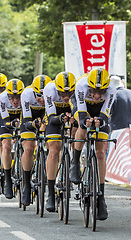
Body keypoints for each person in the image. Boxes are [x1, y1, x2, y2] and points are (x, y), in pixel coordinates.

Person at [73, 68, 116, 220]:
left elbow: (105, 114)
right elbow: (82, 113)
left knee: (100, 152)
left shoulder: (112, 90)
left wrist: (101, 121)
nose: (97, 95)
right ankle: (75, 163)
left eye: (101, 92)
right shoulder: (81, 85)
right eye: (94, 91)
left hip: (100, 110)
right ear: (89, 87)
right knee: (82, 128)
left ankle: (101, 197)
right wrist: (86, 120)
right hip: (83, 106)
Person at [43, 72, 77, 212]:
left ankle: (74, 163)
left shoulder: (78, 93)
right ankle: (50, 194)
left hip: (71, 112)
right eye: (62, 94)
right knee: (54, 149)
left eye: (69, 93)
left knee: (77, 133)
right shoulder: (49, 90)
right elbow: (51, 118)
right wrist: (61, 118)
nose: (65, 97)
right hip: (54, 115)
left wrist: (74, 120)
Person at [19, 75, 51, 205]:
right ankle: (26, 184)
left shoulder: (53, 94)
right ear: (33, 92)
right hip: (30, 116)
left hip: (46, 114)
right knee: (29, 147)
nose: (42, 99)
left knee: (54, 145)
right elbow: (26, 121)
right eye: (38, 95)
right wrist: (33, 124)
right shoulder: (26, 94)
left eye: (44, 95)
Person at [0, 79, 24, 199]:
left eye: (18, 97)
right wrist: (13, 125)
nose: (15, 101)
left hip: (22, 117)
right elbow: (5, 120)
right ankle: (7, 179)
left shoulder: (26, 98)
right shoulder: (1, 98)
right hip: (7, 119)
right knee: (6, 147)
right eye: (12, 98)